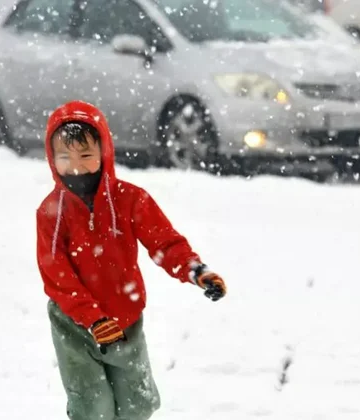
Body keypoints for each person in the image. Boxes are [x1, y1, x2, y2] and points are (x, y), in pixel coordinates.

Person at [36, 101, 227, 420]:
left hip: (125, 318)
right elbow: (56, 275)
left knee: (137, 404)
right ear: (52, 159)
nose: (77, 167)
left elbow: (164, 242)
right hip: (75, 324)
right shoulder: (51, 213)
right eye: (65, 158)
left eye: (86, 156)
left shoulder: (130, 199)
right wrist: (92, 318)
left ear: (104, 153)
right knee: (92, 407)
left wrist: (195, 270)